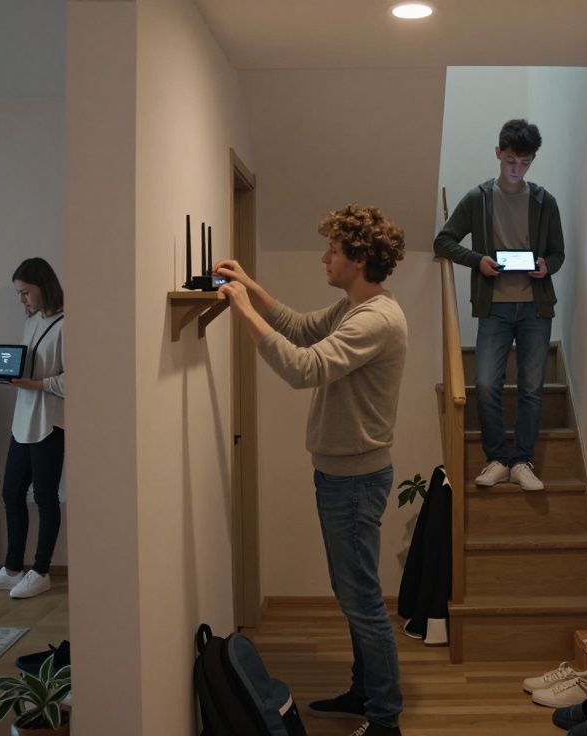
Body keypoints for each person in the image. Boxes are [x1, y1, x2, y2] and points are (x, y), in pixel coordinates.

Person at [215, 204, 408, 736]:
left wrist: (240, 310)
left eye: (333, 250)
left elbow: (305, 368)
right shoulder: (354, 306)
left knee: (362, 600)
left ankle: (385, 719)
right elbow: (301, 330)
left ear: (359, 258)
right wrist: (250, 287)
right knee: (354, 596)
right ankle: (365, 691)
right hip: (342, 475)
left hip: (354, 480)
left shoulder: (376, 318)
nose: (324, 257)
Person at [434, 118, 565, 491]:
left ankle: (522, 460)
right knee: (487, 383)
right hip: (495, 307)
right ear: (498, 153)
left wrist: (545, 266)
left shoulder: (544, 201)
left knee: (531, 386)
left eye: (525, 163)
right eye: (510, 161)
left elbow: (558, 252)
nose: (516, 169)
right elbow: (444, 241)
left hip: (535, 308)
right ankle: (496, 458)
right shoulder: (479, 198)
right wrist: (478, 260)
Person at [0, 257, 66, 600]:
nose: (22, 300)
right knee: (12, 493)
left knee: (44, 497)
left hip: (50, 422)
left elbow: (75, 379)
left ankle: (40, 572)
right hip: (23, 420)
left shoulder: (67, 324)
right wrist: (13, 379)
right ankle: (13, 570)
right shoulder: (32, 322)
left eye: (25, 292)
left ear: (44, 287)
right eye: (19, 294)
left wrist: (33, 384)